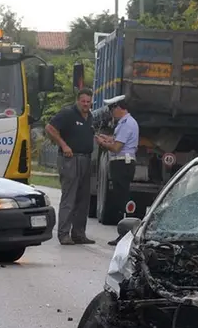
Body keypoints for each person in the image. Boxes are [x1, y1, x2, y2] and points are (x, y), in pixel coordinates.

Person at [45, 88, 96, 245]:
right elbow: (50, 128)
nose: (86, 104)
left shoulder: (90, 117)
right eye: (83, 101)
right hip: (70, 159)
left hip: (85, 159)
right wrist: (63, 145)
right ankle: (63, 234)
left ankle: (79, 233)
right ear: (77, 101)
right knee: (69, 197)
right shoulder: (68, 113)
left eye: (88, 101)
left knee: (83, 199)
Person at [95, 96, 139, 246]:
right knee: (120, 198)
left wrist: (102, 143)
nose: (111, 112)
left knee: (121, 200)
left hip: (122, 164)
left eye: (112, 109)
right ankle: (123, 234)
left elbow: (116, 148)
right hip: (121, 163)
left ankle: (125, 235)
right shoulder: (124, 123)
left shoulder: (127, 124)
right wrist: (108, 138)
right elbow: (117, 141)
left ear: (120, 108)